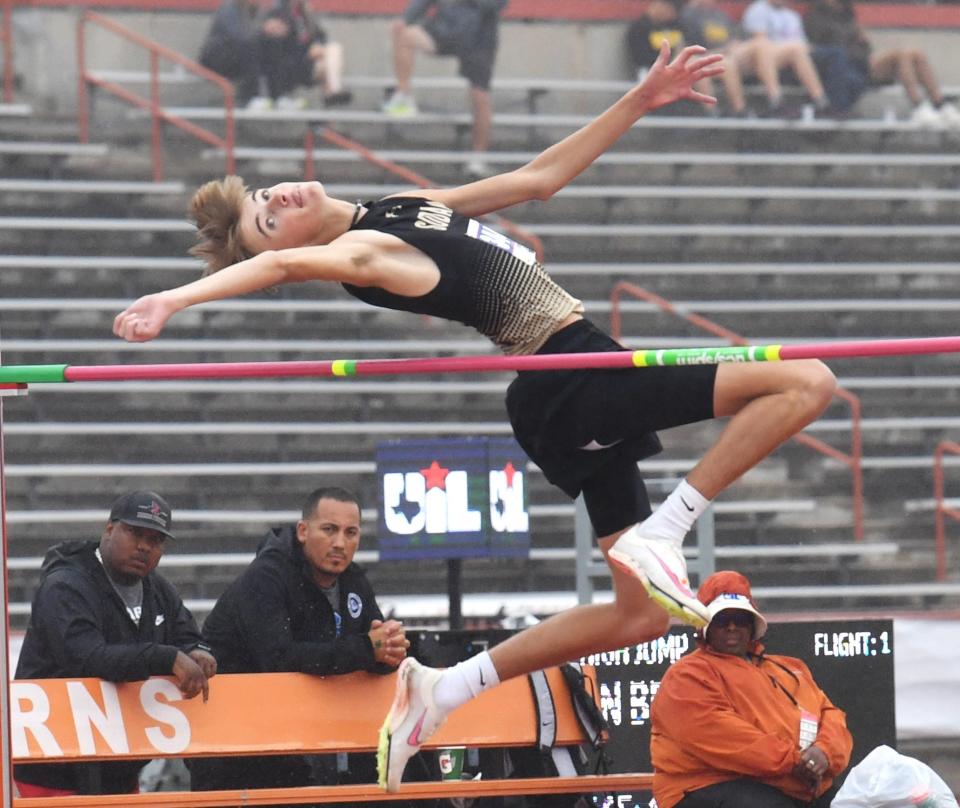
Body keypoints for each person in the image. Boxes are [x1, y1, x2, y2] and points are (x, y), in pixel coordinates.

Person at [111, 41, 836, 792]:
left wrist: (641, 100)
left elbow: (538, 180)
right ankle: (670, 528)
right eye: (268, 222)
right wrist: (175, 299)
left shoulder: (399, 210)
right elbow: (286, 266)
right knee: (804, 383)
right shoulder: (364, 251)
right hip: (575, 378)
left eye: (265, 197)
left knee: (639, 619)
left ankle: (446, 688)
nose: (278, 203)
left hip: (571, 377)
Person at [188, 486, 410, 792]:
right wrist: (368, 648)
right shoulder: (265, 579)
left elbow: (373, 649)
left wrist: (391, 651)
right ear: (303, 531)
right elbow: (280, 660)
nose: (340, 543)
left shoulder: (354, 581)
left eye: (351, 533)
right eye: (329, 530)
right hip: (233, 742)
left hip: (302, 736)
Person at [13, 490, 216, 797]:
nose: (145, 547)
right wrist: (166, 657)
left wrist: (198, 652)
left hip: (118, 765)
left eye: (156, 540)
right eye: (135, 533)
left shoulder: (156, 587)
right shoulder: (65, 585)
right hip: (54, 766)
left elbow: (186, 633)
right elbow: (88, 658)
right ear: (109, 529)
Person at [650, 570, 853, 808]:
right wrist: (796, 761)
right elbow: (721, 736)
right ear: (705, 626)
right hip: (707, 785)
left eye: (741, 619)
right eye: (723, 620)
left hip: (791, 783)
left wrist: (824, 753)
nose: (732, 627)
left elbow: (831, 717)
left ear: (753, 624)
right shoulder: (687, 675)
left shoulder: (791, 668)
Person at [382, 0, 507, 178]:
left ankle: (478, 158)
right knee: (404, 34)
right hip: (445, 29)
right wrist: (407, 18)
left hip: (479, 38)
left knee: (480, 96)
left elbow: (495, 4)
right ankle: (404, 95)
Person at [804, 0, 960, 128]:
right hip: (850, 66)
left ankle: (940, 105)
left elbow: (861, 42)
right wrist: (857, 43)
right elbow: (825, 49)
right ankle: (918, 106)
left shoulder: (847, 13)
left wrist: (862, 40)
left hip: (864, 58)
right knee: (902, 55)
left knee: (916, 54)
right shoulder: (816, 16)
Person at [681, 0, 812, 117]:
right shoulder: (689, 16)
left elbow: (736, 37)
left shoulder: (720, 16)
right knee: (725, 63)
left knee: (740, 56)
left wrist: (733, 45)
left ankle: (745, 109)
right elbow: (691, 47)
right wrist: (723, 50)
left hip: (732, 56)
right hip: (706, 56)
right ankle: (718, 111)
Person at [740, 0, 834, 116]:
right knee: (764, 49)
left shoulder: (792, 15)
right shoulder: (757, 10)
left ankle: (820, 101)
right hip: (756, 60)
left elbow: (803, 43)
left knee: (800, 51)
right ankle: (775, 101)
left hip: (788, 60)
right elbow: (759, 40)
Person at [258, 0, 352, 110]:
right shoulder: (278, 13)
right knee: (333, 51)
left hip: (309, 65)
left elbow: (321, 36)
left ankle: (332, 91)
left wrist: (317, 47)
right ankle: (332, 91)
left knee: (334, 50)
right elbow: (281, 49)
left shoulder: (305, 13)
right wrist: (308, 52)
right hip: (292, 68)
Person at [198, 0, 265, 107]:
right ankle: (250, 98)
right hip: (216, 59)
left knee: (270, 46)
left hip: (235, 57)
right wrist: (264, 30)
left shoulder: (253, 11)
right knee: (249, 48)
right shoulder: (229, 9)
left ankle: (276, 97)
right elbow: (237, 36)